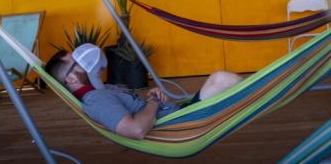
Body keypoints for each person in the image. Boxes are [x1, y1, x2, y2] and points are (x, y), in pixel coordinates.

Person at [52, 43, 242, 140]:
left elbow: (135, 108)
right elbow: (136, 129)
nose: (86, 59)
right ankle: (264, 97)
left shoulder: (99, 89)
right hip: (179, 125)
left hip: (175, 114)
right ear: (70, 79)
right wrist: (154, 102)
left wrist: (152, 97)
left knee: (221, 79)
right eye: (78, 61)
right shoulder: (95, 99)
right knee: (223, 79)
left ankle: (262, 96)